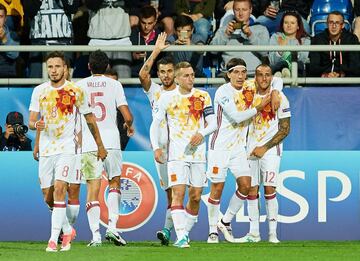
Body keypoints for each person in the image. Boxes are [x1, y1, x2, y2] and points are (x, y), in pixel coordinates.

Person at [28, 51, 107, 252]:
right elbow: (32, 121)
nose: (53, 70)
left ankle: (53, 240)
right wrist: (36, 137)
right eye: (50, 67)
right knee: (48, 195)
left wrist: (99, 145)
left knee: (60, 189)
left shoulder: (75, 91)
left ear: (65, 68)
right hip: (47, 148)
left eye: (57, 66)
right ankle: (67, 229)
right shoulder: (39, 91)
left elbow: (89, 119)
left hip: (67, 148)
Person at [206, 58, 283, 244]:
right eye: (236, 72)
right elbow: (237, 117)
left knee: (246, 186)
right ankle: (212, 231)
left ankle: (225, 221)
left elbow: (276, 79)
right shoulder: (223, 92)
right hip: (220, 147)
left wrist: (275, 92)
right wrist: (260, 106)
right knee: (217, 188)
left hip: (239, 148)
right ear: (228, 74)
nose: (240, 76)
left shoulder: (249, 87)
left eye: (243, 72)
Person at [150, 61, 216, 248]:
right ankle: (180, 237)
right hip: (176, 155)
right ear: (177, 79)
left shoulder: (203, 96)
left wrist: (202, 133)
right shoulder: (166, 98)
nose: (190, 79)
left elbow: (213, 123)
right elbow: (155, 125)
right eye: (186, 76)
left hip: (198, 156)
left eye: (192, 75)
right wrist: (156, 147)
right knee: (177, 194)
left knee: (195, 196)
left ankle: (184, 233)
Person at [77, 50, 134, 247]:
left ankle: (95, 236)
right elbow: (126, 115)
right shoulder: (115, 84)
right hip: (111, 140)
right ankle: (112, 227)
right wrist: (129, 124)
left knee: (92, 188)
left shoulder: (79, 85)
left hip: (88, 142)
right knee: (114, 182)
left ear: (89, 66)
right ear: (107, 66)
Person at [236, 63, 291, 244]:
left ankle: (272, 234)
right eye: (260, 75)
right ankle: (254, 233)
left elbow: (285, 129)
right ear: (255, 78)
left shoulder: (280, 98)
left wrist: (265, 148)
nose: (264, 78)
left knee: (269, 188)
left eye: (268, 75)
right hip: (250, 149)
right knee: (252, 189)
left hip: (270, 150)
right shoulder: (247, 95)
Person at [139, 32, 176, 245]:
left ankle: (172, 230)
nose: (165, 75)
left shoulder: (183, 92)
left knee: (180, 190)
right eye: (162, 72)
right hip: (160, 149)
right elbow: (143, 75)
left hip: (180, 148)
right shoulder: (155, 92)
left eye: (169, 71)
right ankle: (170, 230)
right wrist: (156, 51)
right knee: (170, 191)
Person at [210, 0, 269, 76]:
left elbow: (265, 53)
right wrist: (226, 35)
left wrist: (250, 35)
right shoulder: (223, 30)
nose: (240, 13)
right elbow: (212, 51)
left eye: (244, 10)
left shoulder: (261, 29)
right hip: (229, 75)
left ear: (250, 10)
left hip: (252, 75)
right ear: (233, 11)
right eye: (237, 10)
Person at [22, 0, 80, 77]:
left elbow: (73, 8)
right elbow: (29, 10)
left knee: (63, 81)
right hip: (38, 41)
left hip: (63, 41)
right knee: (36, 80)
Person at [85, 0, 132, 78]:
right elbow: (91, 4)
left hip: (122, 42)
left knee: (124, 82)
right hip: (98, 42)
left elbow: (133, 3)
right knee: (99, 83)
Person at [309, 11, 360, 77]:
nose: (334, 26)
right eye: (331, 22)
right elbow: (314, 65)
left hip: (346, 78)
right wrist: (326, 74)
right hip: (323, 78)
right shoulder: (317, 39)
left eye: (337, 23)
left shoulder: (351, 39)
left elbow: (355, 65)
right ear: (326, 24)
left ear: (343, 25)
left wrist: (340, 74)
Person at [269, 11, 310, 78]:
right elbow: (272, 61)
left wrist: (296, 53)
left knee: (299, 65)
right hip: (278, 69)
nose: (289, 25)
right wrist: (280, 50)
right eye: (286, 23)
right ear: (282, 24)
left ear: (298, 26)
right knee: (281, 64)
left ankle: (287, 76)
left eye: (292, 23)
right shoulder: (276, 37)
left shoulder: (305, 40)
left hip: (298, 72)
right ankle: (281, 75)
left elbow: (303, 60)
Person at [130, 5, 160, 77]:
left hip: (153, 78)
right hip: (134, 77)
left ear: (155, 21)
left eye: (150, 23)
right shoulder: (132, 33)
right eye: (143, 23)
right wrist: (131, 56)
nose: (146, 27)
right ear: (139, 20)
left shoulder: (160, 36)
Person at [104, 67, 130, 151]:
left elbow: (124, 136)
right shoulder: (92, 107)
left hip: (114, 150)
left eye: (114, 83)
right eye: (109, 83)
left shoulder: (122, 111)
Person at [0, 3, 19, 78]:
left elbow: (15, 55)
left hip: (7, 76)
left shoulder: (13, 35)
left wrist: (4, 39)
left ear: (5, 19)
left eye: (0, 17)